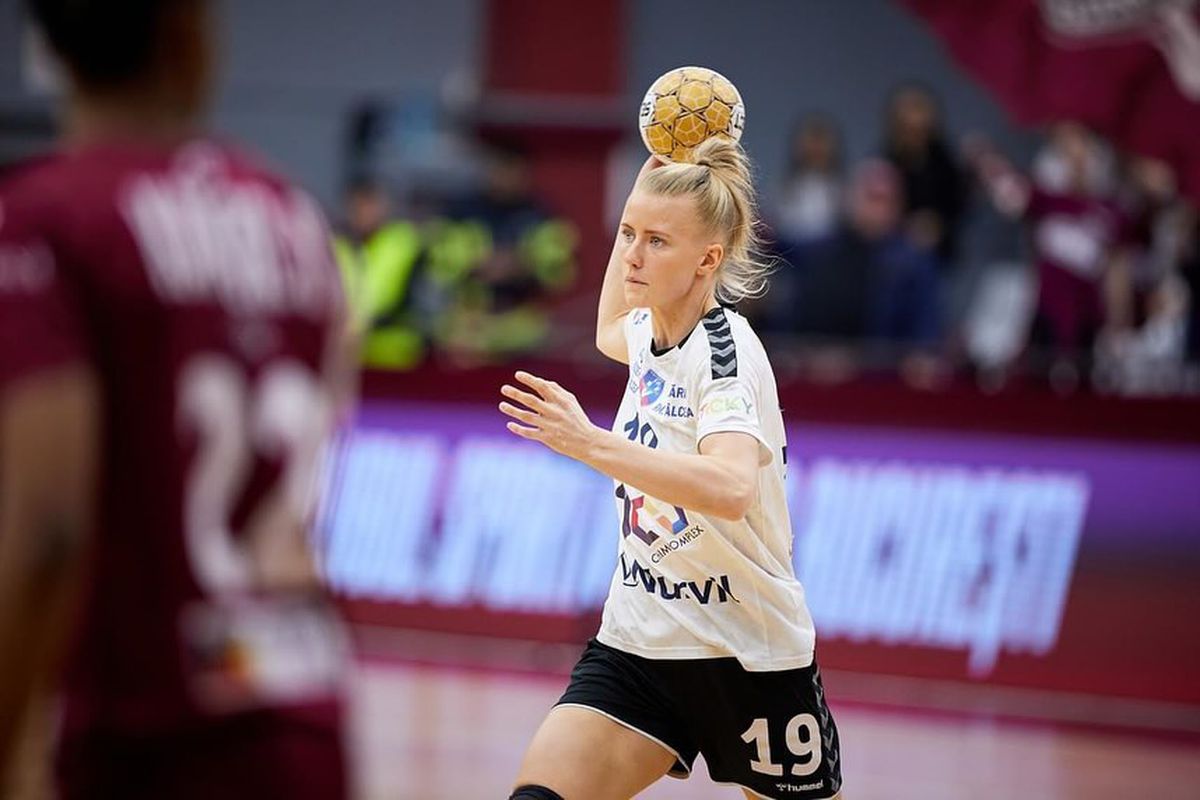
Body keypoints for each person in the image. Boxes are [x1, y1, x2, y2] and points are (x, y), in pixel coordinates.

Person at [0, 1, 351, 797]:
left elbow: (48, 529)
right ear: (191, 36)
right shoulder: (290, 214)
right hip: (302, 712)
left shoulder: (48, 218)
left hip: (148, 733)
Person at [498, 137, 843, 800]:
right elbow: (609, 326)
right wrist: (642, 196)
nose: (632, 253)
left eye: (656, 241)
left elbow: (732, 487)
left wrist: (590, 444)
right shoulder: (646, 329)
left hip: (749, 654)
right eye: (628, 233)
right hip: (640, 644)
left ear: (707, 259)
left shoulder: (724, 354)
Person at [333, 175, 425, 369]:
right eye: (357, 207)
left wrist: (357, 325)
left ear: (384, 206)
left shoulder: (404, 242)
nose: (364, 213)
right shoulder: (339, 246)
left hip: (395, 356)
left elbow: (397, 299)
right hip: (351, 357)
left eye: (370, 205)